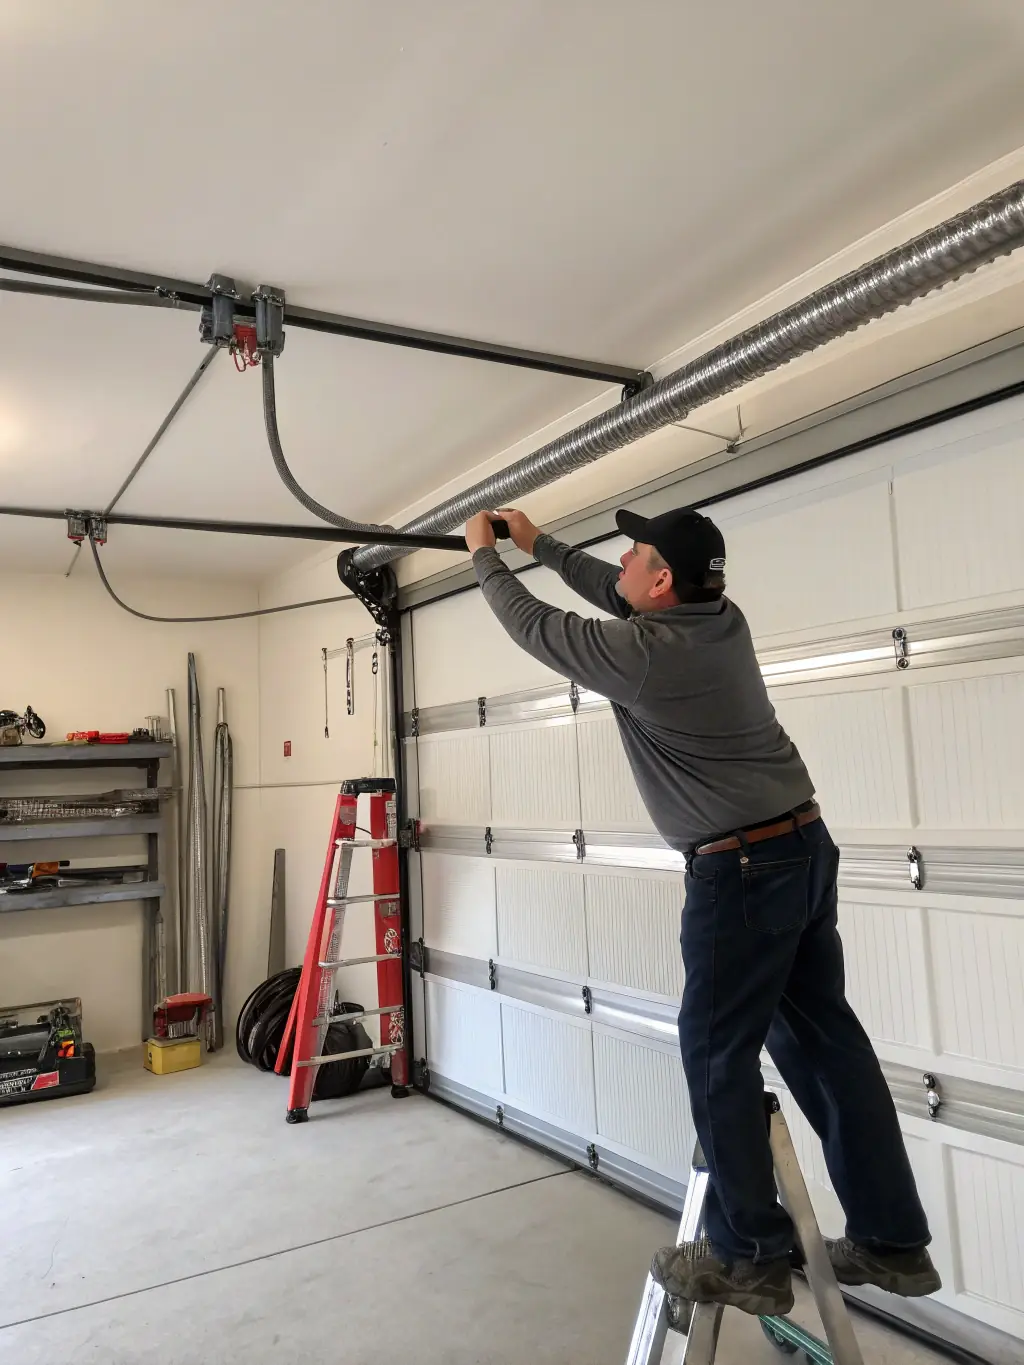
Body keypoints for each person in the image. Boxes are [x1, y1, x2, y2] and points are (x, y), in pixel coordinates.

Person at [464, 504, 940, 1317]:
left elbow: (540, 628)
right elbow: (610, 590)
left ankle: (748, 1254)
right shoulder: (717, 617)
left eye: (636, 551)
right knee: (823, 1036)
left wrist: (486, 556)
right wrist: (536, 539)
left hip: (744, 869)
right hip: (802, 846)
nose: (623, 558)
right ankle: (894, 1240)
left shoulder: (645, 655)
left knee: (716, 1052)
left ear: (661, 582)